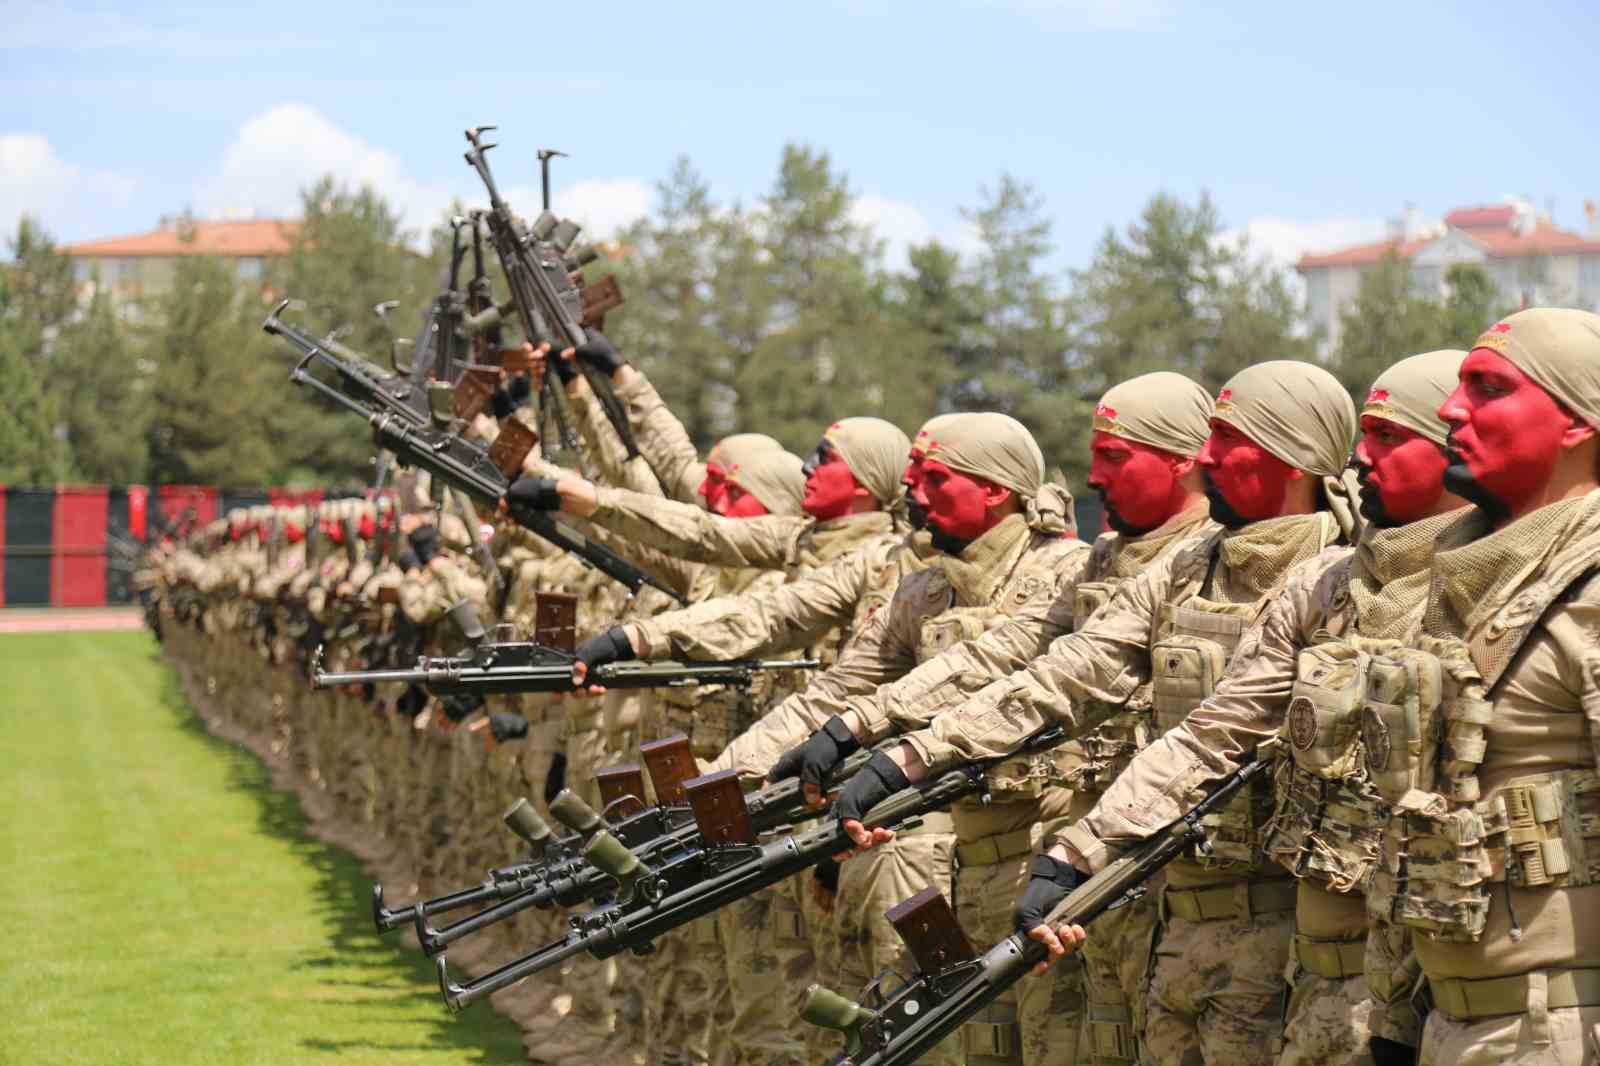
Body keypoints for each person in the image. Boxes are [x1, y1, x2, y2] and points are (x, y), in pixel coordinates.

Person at [833, 361, 1360, 1066]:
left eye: (1228, 440)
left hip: (1282, 932)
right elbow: (1067, 667)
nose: (1206, 458)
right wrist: (903, 749)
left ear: (1292, 455)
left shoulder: (1339, 574)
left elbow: (1221, 732)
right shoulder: (1188, 564)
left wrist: (1078, 850)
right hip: (1158, 911)